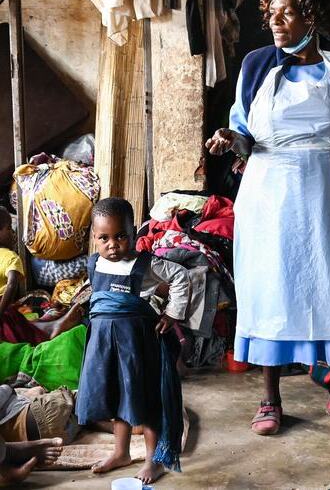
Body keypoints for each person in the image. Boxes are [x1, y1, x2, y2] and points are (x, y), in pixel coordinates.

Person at [206, 0, 330, 435]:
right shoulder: (255, 65)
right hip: (274, 194)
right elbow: (247, 133)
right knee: (274, 287)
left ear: (311, 14)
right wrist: (231, 138)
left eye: (285, 13)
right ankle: (270, 401)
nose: (275, 22)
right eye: (270, 14)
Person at [75, 198, 189, 484]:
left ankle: (154, 460)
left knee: (145, 401)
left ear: (135, 232)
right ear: (94, 237)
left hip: (137, 346)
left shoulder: (144, 265)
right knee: (116, 397)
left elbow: (181, 277)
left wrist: (172, 314)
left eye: (121, 236)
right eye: (104, 238)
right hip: (104, 347)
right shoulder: (93, 264)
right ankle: (121, 452)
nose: (112, 244)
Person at [0, 206, 82, 345]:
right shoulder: (9, 256)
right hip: (4, 310)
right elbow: (12, 283)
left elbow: (13, 283)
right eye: (9, 228)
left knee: (23, 331)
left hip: (5, 311)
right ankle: (54, 325)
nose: (13, 233)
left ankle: (53, 325)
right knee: (23, 330)